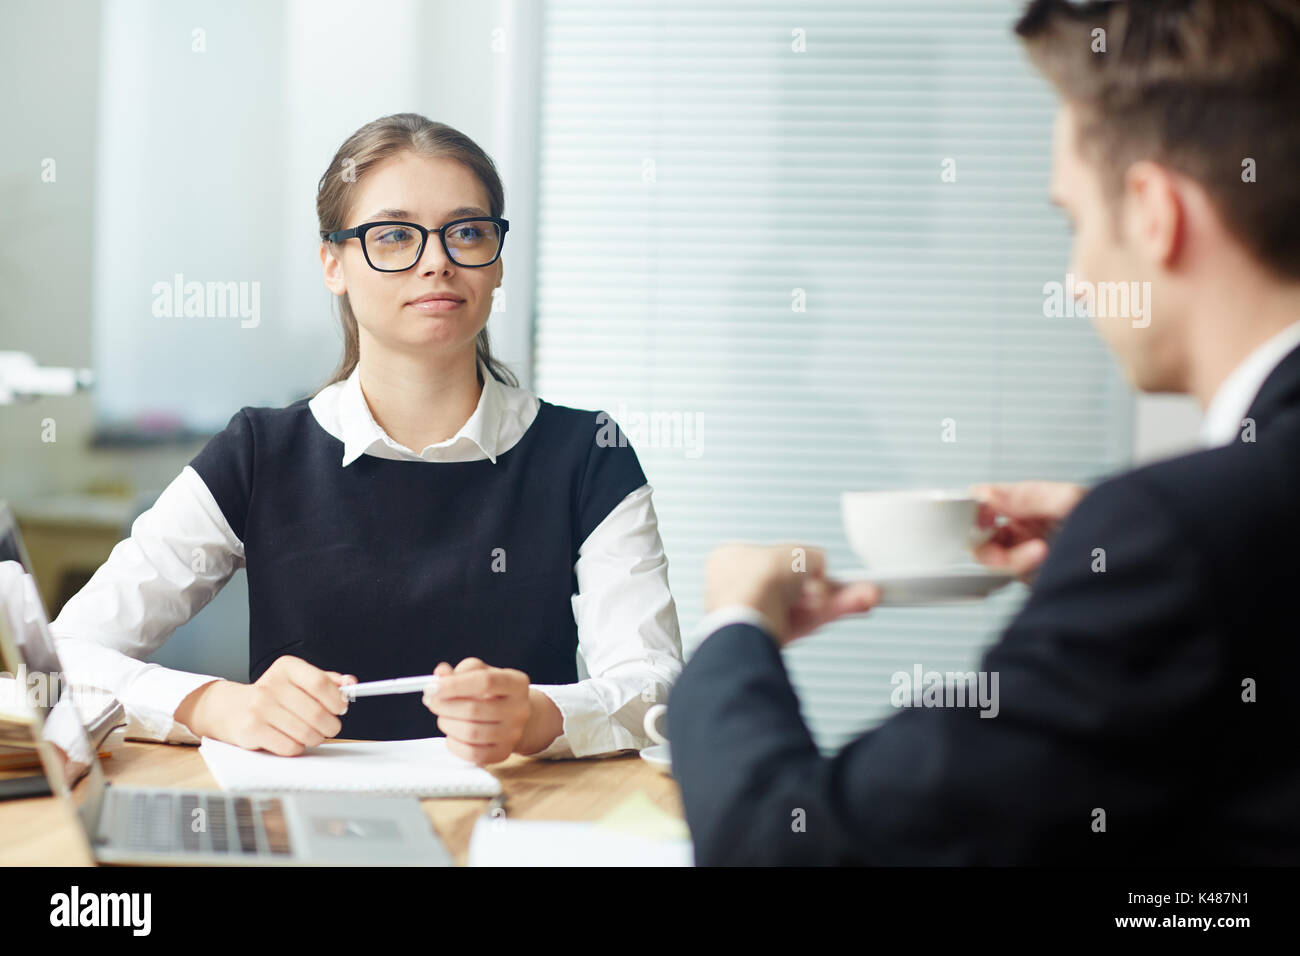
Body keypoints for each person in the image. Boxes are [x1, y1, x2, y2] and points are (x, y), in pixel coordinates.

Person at [669, 0, 1300, 864]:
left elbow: (787, 846)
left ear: (1154, 211)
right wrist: (1121, 565)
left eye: (1073, 222)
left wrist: (736, 624)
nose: (1077, 283)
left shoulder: (1175, 535)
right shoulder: (1200, 536)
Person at [49, 114, 682, 765]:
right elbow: (63, 659)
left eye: (466, 232)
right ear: (333, 264)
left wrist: (544, 716)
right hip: (302, 834)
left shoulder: (588, 454)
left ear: (496, 264)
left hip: (517, 821)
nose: (436, 261)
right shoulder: (260, 453)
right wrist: (219, 705)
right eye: (395, 235)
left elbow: (656, 685)